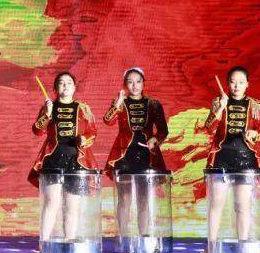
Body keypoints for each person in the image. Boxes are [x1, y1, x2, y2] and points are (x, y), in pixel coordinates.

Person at [204, 66, 260, 247]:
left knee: (242, 206)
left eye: (241, 82)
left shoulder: (256, 106)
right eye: (233, 82)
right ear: (228, 83)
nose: (236, 86)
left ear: (247, 84)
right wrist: (221, 108)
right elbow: (208, 128)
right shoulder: (219, 102)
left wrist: (254, 134)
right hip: (221, 157)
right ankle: (211, 246)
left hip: (246, 158)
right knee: (216, 204)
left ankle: (243, 245)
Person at [28, 72, 97, 241]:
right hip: (53, 159)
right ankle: (44, 243)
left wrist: (84, 139)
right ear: (55, 88)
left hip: (77, 161)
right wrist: (47, 114)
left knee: (72, 205)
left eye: (69, 82)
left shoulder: (83, 108)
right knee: (51, 202)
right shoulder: (49, 107)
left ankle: (69, 241)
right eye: (61, 83)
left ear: (74, 87)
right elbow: (37, 131)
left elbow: (92, 132)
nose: (65, 85)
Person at [103, 68, 169, 238]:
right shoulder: (120, 103)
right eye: (130, 82)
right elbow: (107, 120)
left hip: (146, 155)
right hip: (124, 154)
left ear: (143, 83)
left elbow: (163, 130)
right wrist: (117, 105)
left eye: (138, 81)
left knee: (144, 199)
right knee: (124, 198)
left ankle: (144, 236)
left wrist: (155, 139)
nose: (134, 85)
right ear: (125, 85)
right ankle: (123, 236)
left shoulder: (153, 104)